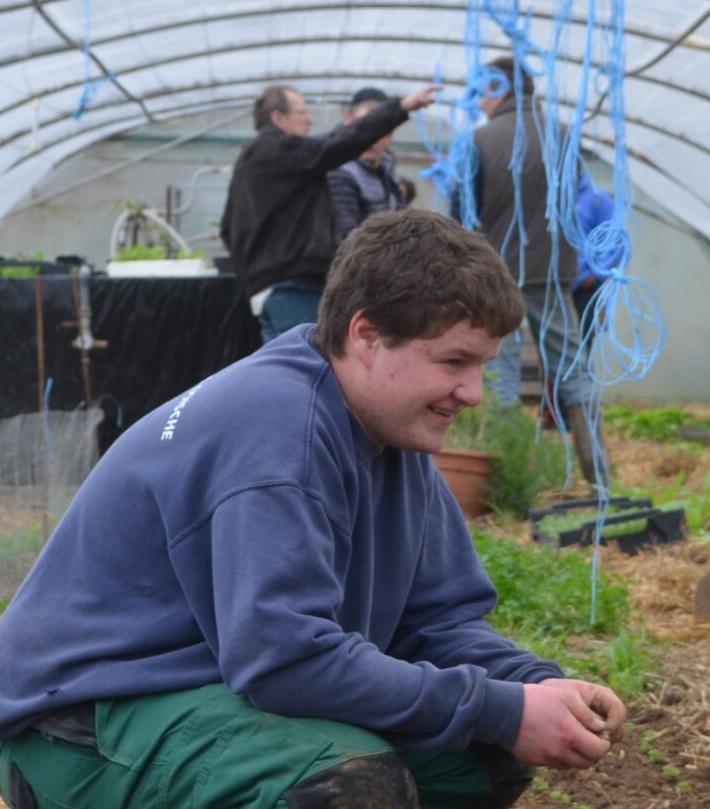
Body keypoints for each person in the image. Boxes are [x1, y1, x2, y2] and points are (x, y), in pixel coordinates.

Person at [0, 209, 629, 809]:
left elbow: (442, 619)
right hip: (71, 738)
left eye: (483, 364)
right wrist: (497, 705)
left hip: (192, 711)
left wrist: (537, 689)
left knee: (485, 755)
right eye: (453, 362)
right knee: (343, 782)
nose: (470, 391)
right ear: (365, 335)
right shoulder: (276, 430)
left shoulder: (390, 437)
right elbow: (284, 658)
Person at [470, 56, 605, 486]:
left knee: (500, 371)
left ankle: (507, 479)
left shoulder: (479, 140)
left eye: (482, 92)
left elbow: (463, 213)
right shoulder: (563, 136)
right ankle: (599, 477)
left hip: (497, 275)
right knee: (572, 368)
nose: (478, 102)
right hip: (552, 272)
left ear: (499, 91)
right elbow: (577, 201)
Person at [222, 82, 438, 345]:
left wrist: (254, 273)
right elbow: (338, 144)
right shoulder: (282, 151)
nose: (310, 120)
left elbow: (226, 229)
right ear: (278, 117)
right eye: (302, 112)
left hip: (266, 289)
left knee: (283, 367)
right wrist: (401, 107)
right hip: (294, 286)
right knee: (307, 367)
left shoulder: (250, 159)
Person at [328, 87, 417, 238]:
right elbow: (347, 237)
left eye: (378, 129)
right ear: (348, 122)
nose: (369, 138)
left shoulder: (387, 172)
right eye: (363, 128)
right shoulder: (341, 174)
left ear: (390, 135)